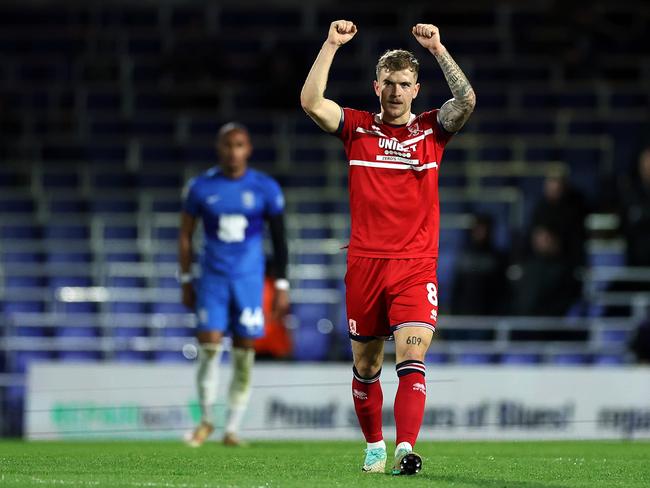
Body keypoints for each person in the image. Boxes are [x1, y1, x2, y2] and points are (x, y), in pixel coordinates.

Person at [300, 21, 475, 475]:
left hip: (415, 267)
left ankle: (405, 448)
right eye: (389, 84)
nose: (396, 92)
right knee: (366, 364)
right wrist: (332, 44)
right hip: (365, 266)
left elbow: (467, 101)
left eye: (404, 85)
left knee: (411, 356)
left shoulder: (432, 131)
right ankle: (375, 446)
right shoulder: (357, 129)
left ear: (416, 89)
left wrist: (438, 48)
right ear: (376, 87)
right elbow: (311, 102)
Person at [178, 122, 290, 447]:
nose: (233, 151)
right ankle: (206, 422)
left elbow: (280, 238)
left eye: (239, 145)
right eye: (228, 145)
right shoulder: (200, 187)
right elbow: (185, 235)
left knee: (244, 352)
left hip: (249, 280)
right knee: (210, 347)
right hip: (212, 278)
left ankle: (232, 429)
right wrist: (186, 278)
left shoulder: (265, 188)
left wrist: (281, 284)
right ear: (219, 148)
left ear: (248, 149)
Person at [450, 213, 508, 316]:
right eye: (477, 228)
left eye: (483, 229)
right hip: (463, 315)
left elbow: (501, 290)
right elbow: (457, 286)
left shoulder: (497, 257)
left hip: (487, 316)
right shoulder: (464, 254)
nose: (479, 232)